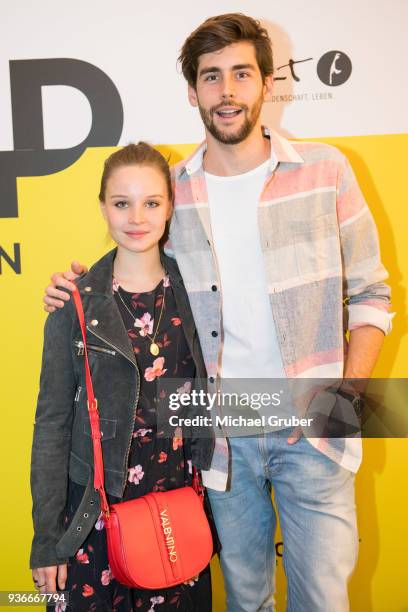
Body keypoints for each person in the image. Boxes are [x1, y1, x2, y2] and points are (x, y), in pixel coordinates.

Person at [43, 13, 394, 612]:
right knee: (246, 598)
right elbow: (133, 259)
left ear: (265, 84)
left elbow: (371, 295)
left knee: (324, 601)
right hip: (220, 434)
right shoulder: (173, 191)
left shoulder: (326, 171)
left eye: (241, 74)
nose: (226, 91)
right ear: (193, 92)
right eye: (211, 77)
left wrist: (347, 396)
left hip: (314, 427)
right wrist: (73, 288)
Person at [31, 142, 214, 611]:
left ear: (170, 206)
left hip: (175, 519)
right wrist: (48, 540)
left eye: (152, 202)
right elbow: (51, 427)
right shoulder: (74, 304)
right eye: (121, 203)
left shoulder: (198, 296)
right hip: (94, 521)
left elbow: (205, 402)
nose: (137, 217)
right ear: (102, 207)